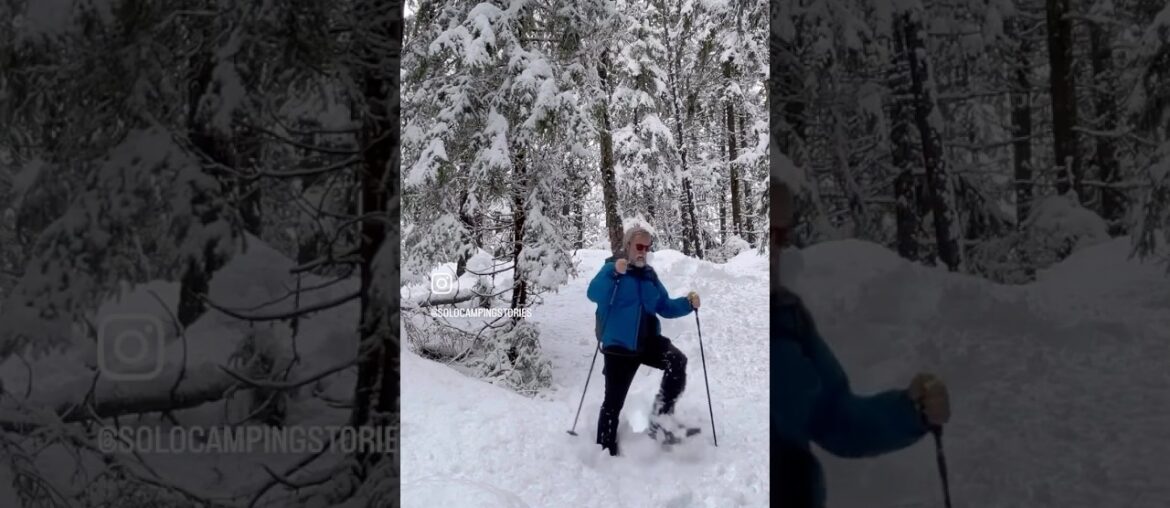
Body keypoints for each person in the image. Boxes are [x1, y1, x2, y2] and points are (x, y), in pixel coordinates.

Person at [772, 178, 951, 506]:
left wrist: (912, 411)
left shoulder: (790, 321)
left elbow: (838, 420)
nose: (770, 250)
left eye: (778, 236)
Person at [586, 225, 701, 456]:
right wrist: (613, 274)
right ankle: (604, 450)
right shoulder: (611, 270)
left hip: (647, 342)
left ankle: (661, 420)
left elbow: (664, 306)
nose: (643, 252)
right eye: (639, 246)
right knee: (613, 403)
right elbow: (593, 293)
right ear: (628, 245)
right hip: (618, 347)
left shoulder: (649, 276)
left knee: (677, 361)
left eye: (647, 248)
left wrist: (688, 304)